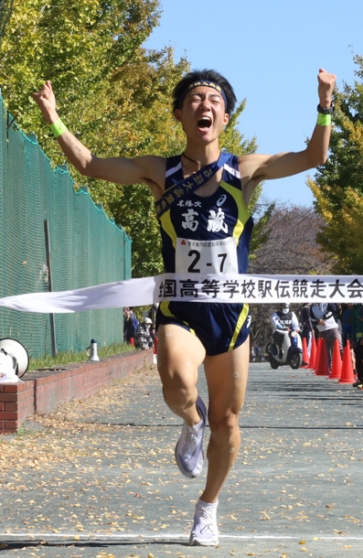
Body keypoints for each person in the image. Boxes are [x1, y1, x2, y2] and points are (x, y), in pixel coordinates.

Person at [33, 67, 336, 546]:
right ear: (180, 113)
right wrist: (53, 118)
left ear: (226, 116)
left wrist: (324, 103)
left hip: (231, 315)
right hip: (180, 308)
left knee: (230, 421)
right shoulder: (161, 170)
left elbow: (314, 156)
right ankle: (190, 423)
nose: (204, 105)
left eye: (214, 99)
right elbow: (90, 165)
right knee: (176, 382)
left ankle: (208, 508)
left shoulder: (245, 168)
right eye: (195, 98)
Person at [310, 303, 343, 368]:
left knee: (339, 348)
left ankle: (343, 366)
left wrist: (323, 318)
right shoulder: (312, 307)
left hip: (332, 328)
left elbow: (334, 310)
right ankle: (328, 368)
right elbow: (312, 319)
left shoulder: (327, 302)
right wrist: (318, 321)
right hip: (321, 331)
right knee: (325, 353)